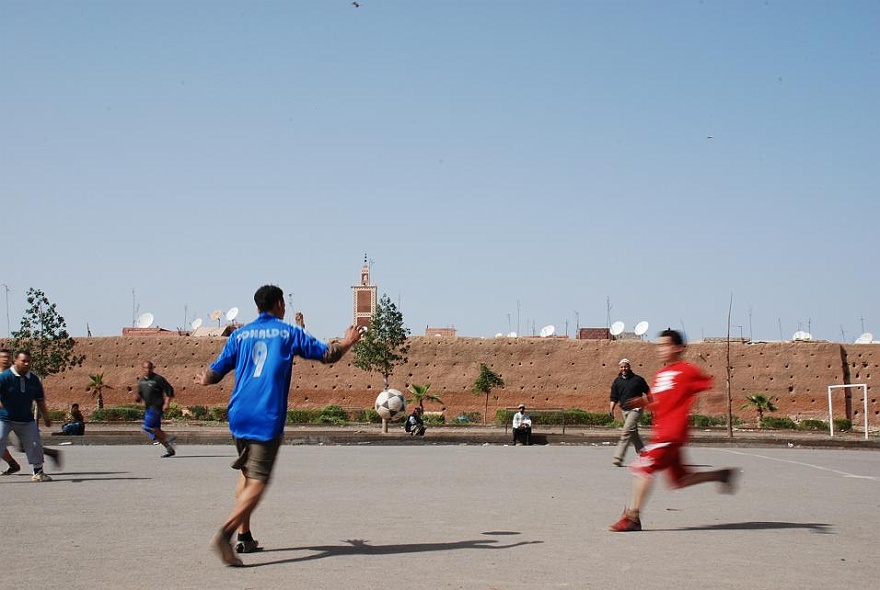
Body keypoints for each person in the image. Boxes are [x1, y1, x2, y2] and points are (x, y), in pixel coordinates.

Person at [196, 284, 362, 566]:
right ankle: (225, 533)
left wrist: (204, 379)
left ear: (257, 307)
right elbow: (327, 355)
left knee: (247, 474)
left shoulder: (239, 335)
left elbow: (214, 373)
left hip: (238, 413)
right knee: (260, 481)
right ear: (279, 305)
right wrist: (347, 342)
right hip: (266, 414)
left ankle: (245, 536)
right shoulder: (288, 332)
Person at [609, 329, 738, 532]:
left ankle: (633, 517)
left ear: (679, 348)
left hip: (672, 432)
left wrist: (716, 399)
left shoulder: (687, 371)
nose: (661, 349)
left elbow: (710, 386)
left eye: (665, 345)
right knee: (680, 479)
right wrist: (643, 401)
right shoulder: (661, 374)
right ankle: (721, 475)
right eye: (659, 345)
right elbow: (659, 400)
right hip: (662, 432)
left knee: (643, 466)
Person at [0, 351, 55, 481]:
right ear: (15, 361)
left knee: (34, 444)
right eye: (23, 361)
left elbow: (40, 399)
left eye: (29, 361)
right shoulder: (5, 377)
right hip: (5, 418)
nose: (27, 364)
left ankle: (38, 472)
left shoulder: (34, 379)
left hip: (26, 419)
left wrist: (46, 416)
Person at [609, 358, 651, 467]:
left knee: (626, 431)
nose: (624, 369)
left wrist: (651, 406)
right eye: (622, 367)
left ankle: (618, 458)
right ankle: (644, 455)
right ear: (620, 368)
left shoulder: (638, 380)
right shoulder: (617, 381)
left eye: (626, 366)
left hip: (636, 409)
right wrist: (611, 409)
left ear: (629, 367)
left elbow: (648, 393)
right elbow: (614, 397)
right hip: (624, 410)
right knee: (633, 433)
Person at [136, 361, 176, 458]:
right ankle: (169, 449)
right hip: (148, 408)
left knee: (147, 427)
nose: (148, 370)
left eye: (150, 368)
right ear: (142, 369)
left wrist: (166, 403)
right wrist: (138, 398)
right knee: (156, 432)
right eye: (146, 368)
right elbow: (140, 395)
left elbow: (169, 390)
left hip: (157, 407)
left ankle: (169, 437)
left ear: (153, 368)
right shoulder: (141, 381)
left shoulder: (158, 379)